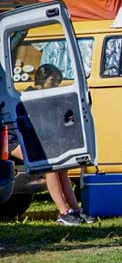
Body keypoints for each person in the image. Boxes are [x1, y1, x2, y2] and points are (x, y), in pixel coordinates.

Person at [9, 64, 94, 226]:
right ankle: (63, 212)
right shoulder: (29, 97)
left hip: (35, 140)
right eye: (53, 81)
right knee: (50, 167)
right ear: (41, 80)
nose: (56, 85)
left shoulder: (46, 96)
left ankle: (75, 210)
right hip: (15, 140)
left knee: (61, 168)